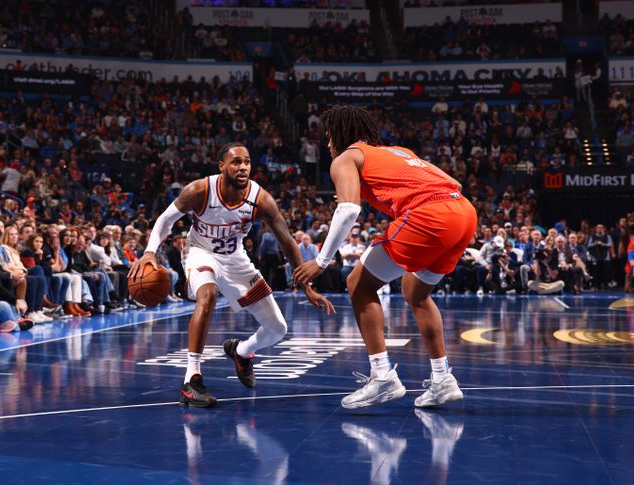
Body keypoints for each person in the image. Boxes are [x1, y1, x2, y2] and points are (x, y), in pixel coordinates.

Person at [294, 106, 477, 410]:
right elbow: (454, 183)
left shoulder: (346, 158)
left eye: (328, 137)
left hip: (429, 215)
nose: (327, 145)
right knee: (416, 292)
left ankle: (382, 377)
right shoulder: (397, 151)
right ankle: (442, 379)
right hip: (464, 213)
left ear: (340, 135)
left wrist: (322, 260)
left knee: (358, 284)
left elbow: (349, 209)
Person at [129, 143, 334, 408]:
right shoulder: (200, 190)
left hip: (235, 258)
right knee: (208, 292)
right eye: (236, 162)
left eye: (247, 162)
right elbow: (165, 220)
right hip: (200, 251)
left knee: (277, 329)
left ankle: (241, 352)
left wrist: (306, 285)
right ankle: (191, 380)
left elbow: (286, 241)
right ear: (222, 166)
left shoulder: (261, 199)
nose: (243, 167)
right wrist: (148, 253)